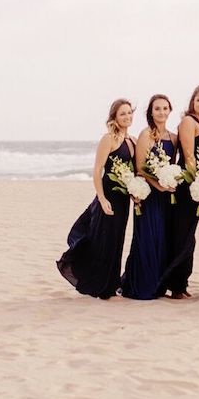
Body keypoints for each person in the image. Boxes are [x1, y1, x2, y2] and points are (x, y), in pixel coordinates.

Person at [57, 99, 135, 299]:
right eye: (122, 114)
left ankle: (110, 284)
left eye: (129, 113)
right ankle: (99, 285)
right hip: (108, 198)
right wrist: (101, 198)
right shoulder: (108, 139)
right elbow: (97, 170)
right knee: (103, 240)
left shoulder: (132, 141)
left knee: (117, 241)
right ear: (114, 118)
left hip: (123, 200)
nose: (127, 116)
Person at [121, 94, 178, 300]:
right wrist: (158, 185)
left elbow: (174, 165)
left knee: (162, 238)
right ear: (151, 112)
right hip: (149, 195)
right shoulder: (146, 134)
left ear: (170, 110)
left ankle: (157, 285)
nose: (161, 112)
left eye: (165, 108)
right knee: (147, 237)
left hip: (166, 197)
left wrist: (170, 182)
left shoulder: (174, 137)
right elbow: (140, 168)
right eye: (157, 109)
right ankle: (140, 284)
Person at [159, 85, 199, 299]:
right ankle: (176, 286)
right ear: (193, 102)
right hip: (188, 186)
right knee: (183, 235)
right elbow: (189, 156)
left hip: (196, 185)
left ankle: (181, 283)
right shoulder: (188, 122)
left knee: (187, 235)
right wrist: (198, 184)